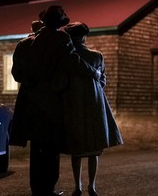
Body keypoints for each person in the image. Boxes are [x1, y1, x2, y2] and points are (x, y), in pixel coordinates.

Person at [10, 6, 101, 196]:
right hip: (52, 100)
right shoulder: (61, 40)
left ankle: (37, 188)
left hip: (30, 102)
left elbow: (16, 74)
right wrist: (93, 71)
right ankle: (49, 188)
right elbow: (73, 63)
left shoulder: (24, 44)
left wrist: (31, 81)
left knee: (36, 147)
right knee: (51, 147)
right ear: (59, 24)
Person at [62, 22, 124, 196]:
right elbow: (102, 80)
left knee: (77, 147)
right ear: (84, 37)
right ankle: (92, 186)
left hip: (74, 103)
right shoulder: (97, 56)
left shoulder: (68, 58)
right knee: (94, 148)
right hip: (95, 102)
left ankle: (78, 186)